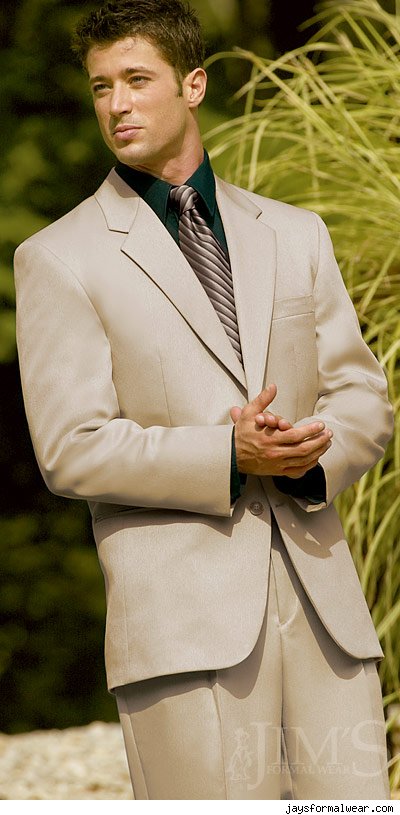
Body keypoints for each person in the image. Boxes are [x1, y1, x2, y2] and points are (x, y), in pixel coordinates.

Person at [14, 0, 393, 800]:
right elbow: (71, 446)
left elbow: (361, 390)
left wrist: (308, 455)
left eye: (136, 79)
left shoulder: (296, 232)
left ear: (193, 85)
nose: (116, 105)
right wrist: (228, 454)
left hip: (326, 618)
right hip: (184, 635)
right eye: (101, 87)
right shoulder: (59, 257)